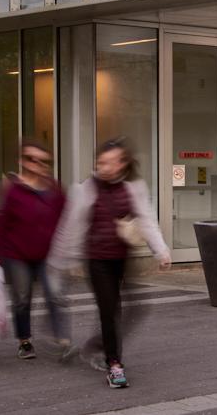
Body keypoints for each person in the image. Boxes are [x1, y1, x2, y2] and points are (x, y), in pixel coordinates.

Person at [49, 139, 170, 391]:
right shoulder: (85, 189)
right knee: (110, 310)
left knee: (138, 308)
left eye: (110, 162)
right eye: (100, 162)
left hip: (122, 258)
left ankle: (96, 344)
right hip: (97, 260)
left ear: (122, 163)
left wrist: (161, 251)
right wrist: (60, 260)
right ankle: (114, 364)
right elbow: (70, 226)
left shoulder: (133, 187)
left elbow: (147, 220)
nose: (103, 167)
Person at [0, 138, 69, 360]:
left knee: (54, 295)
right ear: (21, 161)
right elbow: (0, 227)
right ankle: (24, 341)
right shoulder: (13, 190)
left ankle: (60, 338)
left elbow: (67, 220)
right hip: (17, 255)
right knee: (22, 298)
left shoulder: (55, 190)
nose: (36, 164)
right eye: (30, 159)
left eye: (41, 160)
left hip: (47, 255)